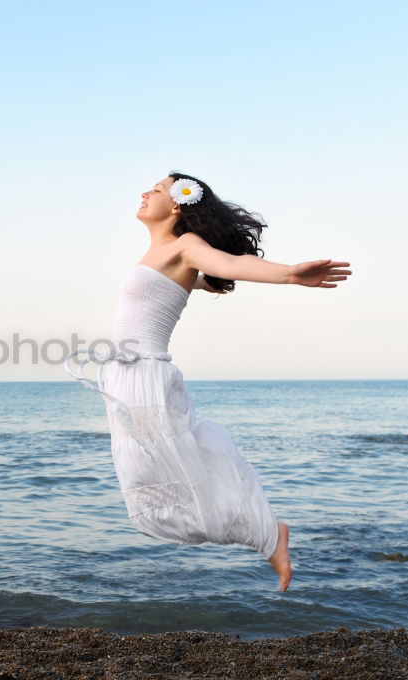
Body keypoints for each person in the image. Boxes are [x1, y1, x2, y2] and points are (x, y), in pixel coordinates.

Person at [64, 172, 351, 592]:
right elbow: (201, 279)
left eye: (157, 190)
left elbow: (232, 264)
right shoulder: (166, 255)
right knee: (149, 477)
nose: (145, 193)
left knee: (170, 477)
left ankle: (269, 535)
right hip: (126, 376)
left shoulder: (186, 245)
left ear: (178, 206)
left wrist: (289, 273)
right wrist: (202, 282)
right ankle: (266, 534)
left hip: (144, 373)